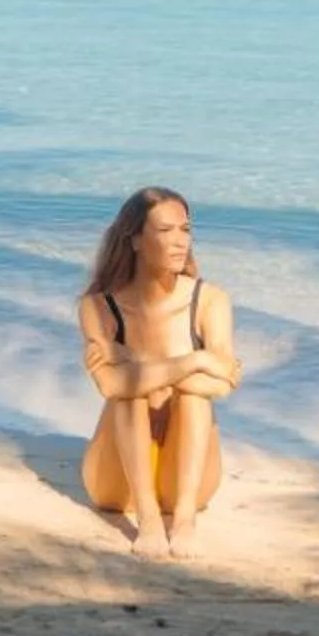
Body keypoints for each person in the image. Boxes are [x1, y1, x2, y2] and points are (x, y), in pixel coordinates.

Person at [78, 186, 240, 557]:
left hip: (191, 478)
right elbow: (109, 385)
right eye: (166, 231)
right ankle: (149, 521)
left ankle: (184, 520)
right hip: (116, 483)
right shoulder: (99, 306)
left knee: (192, 396)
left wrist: (130, 359)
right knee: (128, 395)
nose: (181, 241)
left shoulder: (209, 300)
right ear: (134, 240)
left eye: (186, 229)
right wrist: (197, 361)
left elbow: (223, 386)